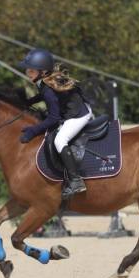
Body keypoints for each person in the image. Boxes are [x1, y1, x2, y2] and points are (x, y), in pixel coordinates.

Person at [18, 48, 94, 198]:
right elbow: (44, 95)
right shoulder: (45, 81)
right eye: (28, 69)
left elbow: (53, 118)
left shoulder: (47, 88)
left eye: (32, 70)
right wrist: (29, 102)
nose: (28, 72)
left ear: (43, 71)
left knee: (60, 140)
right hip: (74, 109)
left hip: (78, 115)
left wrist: (33, 131)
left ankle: (76, 180)